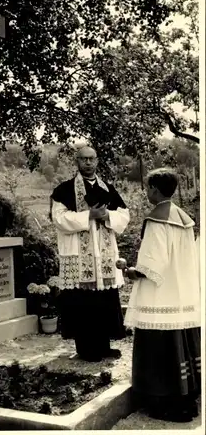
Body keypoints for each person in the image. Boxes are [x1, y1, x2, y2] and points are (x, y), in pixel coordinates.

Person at [124, 168, 201, 422]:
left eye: (148, 188)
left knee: (159, 348)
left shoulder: (157, 219)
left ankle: (163, 402)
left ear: (155, 190)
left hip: (160, 297)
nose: (147, 193)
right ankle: (187, 399)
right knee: (182, 345)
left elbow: (151, 266)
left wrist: (130, 271)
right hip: (182, 294)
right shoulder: (185, 219)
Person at [50, 146, 130, 361]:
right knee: (82, 302)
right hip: (79, 253)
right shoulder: (64, 189)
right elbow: (58, 218)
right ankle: (86, 349)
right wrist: (88, 215)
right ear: (77, 161)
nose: (87, 163)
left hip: (102, 255)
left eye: (91, 159)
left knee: (103, 300)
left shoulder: (109, 189)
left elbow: (124, 215)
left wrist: (107, 216)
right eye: (83, 159)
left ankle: (104, 346)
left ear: (97, 160)